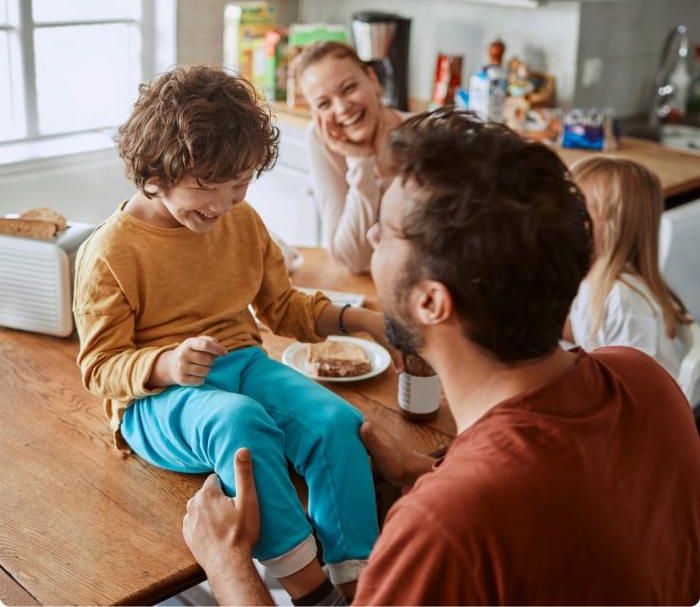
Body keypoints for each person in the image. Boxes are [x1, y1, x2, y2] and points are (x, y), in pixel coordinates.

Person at [182, 109, 700, 606]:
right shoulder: (644, 380)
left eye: (386, 232)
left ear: (431, 301)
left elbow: (490, 513)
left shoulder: (441, 529)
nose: (371, 236)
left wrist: (228, 565)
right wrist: (423, 470)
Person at [73, 65, 399, 601]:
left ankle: (357, 579)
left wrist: (368, 323)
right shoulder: (110, 252)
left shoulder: (241, 222)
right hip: (155, 401)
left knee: (337, 421)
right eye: (206, 188)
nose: (223, 206)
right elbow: (100, 368)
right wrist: (167, 364)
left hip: (243, 363)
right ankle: (310, 590)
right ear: (153, 174)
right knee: (239, 422)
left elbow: (282, 307)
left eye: (240, 186)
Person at [564, 156, 693, 379]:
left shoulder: (622, 301)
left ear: (617, 228)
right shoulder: (596, 283)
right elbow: (588, 335)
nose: (563, 221)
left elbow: (637, 390)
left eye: (580, 213)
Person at [295, 41, 407, 274]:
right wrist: (361, 161)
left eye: (348, 88)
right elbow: (351, 259)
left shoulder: (425, 133)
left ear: (373, 81)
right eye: (324, 103)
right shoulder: (321, 140)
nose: (342, 108)